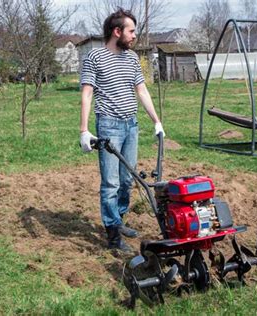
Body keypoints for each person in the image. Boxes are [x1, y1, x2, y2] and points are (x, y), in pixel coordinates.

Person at [79, 8, 164, 252]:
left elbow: (142, 91)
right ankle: (113, 235)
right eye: (131, 31)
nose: (135, 35)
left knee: (128, 179)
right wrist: (84, 130)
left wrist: (156, 121)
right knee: (111, 183)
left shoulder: (132, 58)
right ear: (117, 32)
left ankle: (119, 219)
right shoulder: (94, 57)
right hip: (108, 125)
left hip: (131, 125)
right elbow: (87, 94)